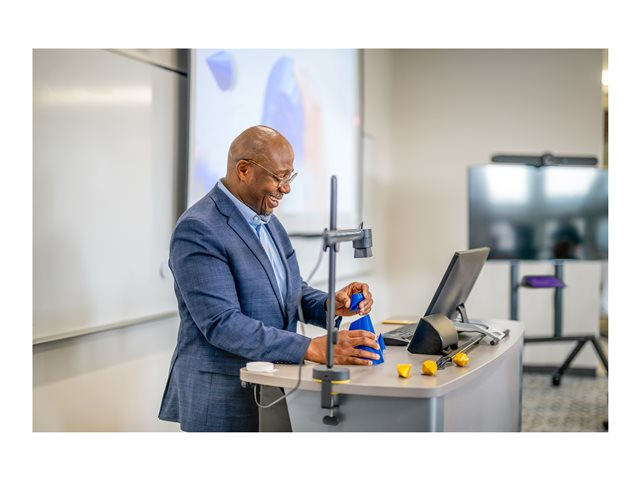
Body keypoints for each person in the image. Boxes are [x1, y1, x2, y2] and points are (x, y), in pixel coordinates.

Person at [159, 125, 379, 432]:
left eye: (290, 177)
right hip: (222, 397)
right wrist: (311, 348)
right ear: (244, 170)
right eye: (279, 177)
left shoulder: (269, 222)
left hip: (271, 387)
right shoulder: (198, 228)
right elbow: (222, 323)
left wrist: (331, 304)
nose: (286, 189)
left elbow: (291, 291)